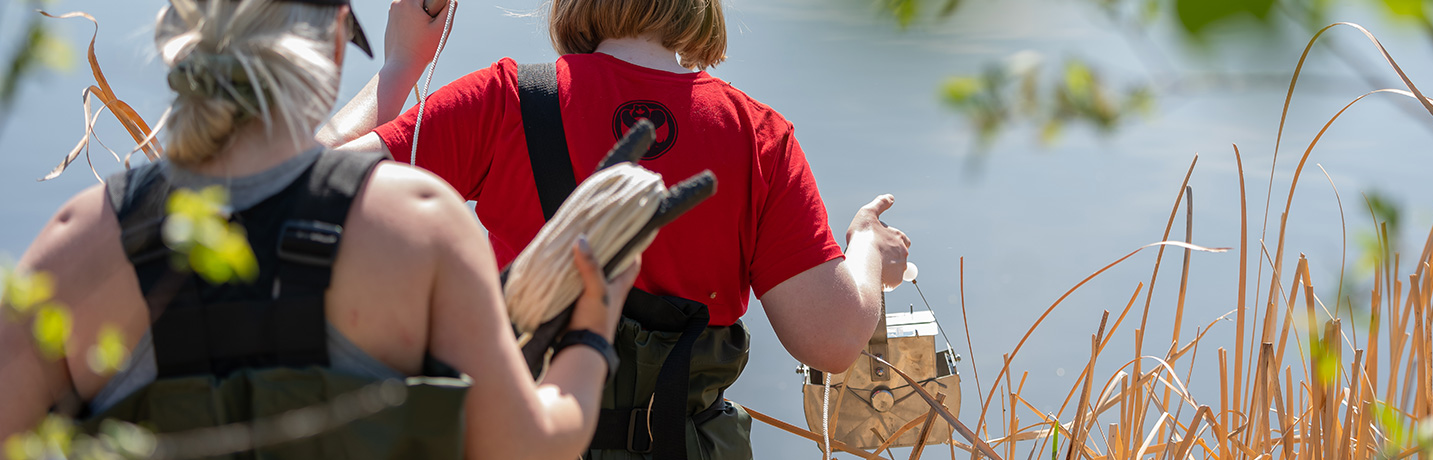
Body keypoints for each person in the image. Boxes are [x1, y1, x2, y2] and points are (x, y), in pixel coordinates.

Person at [0, 1, 638, 458]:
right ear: (335, 41)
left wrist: (395, 76)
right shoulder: (419, 225)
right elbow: (527, 447)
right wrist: (591, 333)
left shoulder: (78, 242)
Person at [319, 0, 914, 458]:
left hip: (525, 438)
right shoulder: (757, 136)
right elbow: (830, 341)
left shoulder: (505, 100)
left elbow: (310, 185)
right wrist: (865, 247)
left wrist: (400, 66)